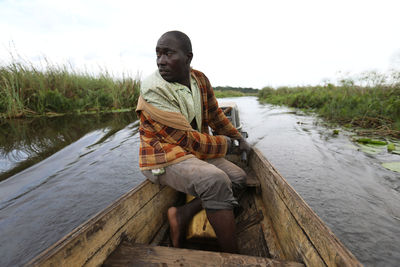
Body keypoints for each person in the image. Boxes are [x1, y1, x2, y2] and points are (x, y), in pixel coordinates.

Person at [136, 30, 251, 253]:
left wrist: (238, 138)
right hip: (164, 158)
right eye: (158, 55)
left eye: (168, 54)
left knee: (239, 178)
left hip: (191, 154)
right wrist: (228, 145)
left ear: (188, 58)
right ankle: (234, 258)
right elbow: (188, 141)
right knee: (215, 180)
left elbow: (216, 116)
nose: (161, 62)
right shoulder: (154, 89)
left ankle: (183, 213)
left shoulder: (199, 79)